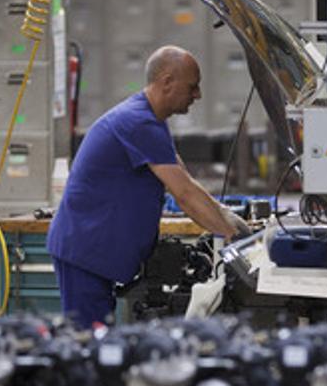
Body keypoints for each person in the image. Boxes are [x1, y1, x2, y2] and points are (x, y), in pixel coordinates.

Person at [47, 45, 248, 326]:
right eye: (192, 87)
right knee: (89, 341)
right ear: (167, 82)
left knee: (100, 339)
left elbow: (183, 178)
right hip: (85, 252)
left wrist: (223, 212)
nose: (197, 95)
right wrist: (232, 242)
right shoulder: (138, 122)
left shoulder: (151, 121)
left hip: (93, 252)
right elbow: (185, 194)